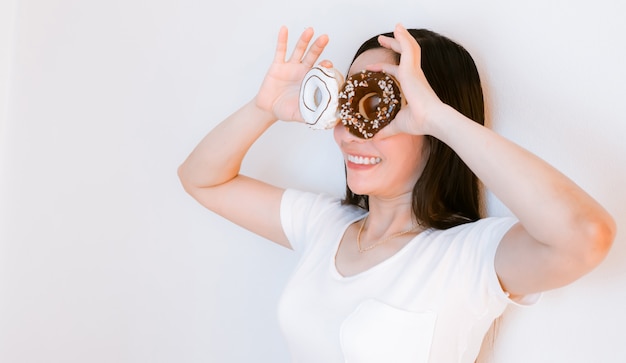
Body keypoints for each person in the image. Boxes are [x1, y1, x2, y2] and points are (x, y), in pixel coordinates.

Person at [177, 23, 616, 362]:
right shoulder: (324, 226)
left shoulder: (469, 256)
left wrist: (440, 119)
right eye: (350, 102)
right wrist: (263, 108)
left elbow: (585, 235)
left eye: (383, 107)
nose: (352, 132)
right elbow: (201, 178)